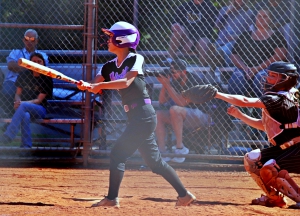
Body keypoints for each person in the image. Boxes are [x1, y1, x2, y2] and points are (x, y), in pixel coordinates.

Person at [77, 21, 196, 207]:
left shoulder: (136, 59)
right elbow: (94, 85)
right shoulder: (108, 66)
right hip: (135, 117)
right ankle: (184, 195)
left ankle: (111, 198)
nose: (108, 40)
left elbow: (125, 82)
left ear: (122, 40)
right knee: (155, 163)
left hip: (143, 115)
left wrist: (98, 86)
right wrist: (86, 85)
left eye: (111, 37)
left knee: (117, 154)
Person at [205, 61, 300, 208]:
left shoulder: (277, 99)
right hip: (288, 148)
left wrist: (217, 94)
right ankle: (274, 198)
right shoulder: (289, 95)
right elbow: (267, 126)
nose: (267, 78)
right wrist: (240, 115)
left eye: (273, 76)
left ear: (285, 79)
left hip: (296, 149)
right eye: (269, 75)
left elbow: (244, 100)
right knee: (253, 160)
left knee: (270, 167)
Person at [155, 59, 211, 163]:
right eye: (171, 72)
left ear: (183, 72)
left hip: (202, 115)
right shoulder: (175, 81)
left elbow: (181, 103)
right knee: (158, 114)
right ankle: (163, 152)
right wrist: (164, 84)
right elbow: (162, 102)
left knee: (175, 110)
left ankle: (180, 149)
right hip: (182, 116)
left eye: (174, 72)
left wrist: (168, 84)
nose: (172, 75)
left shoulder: (194, 81)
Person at [227, 9, 287, 99]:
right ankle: (233, 108)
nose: (262, 19)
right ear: (255, 19)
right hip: (245, 69)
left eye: (265, 16)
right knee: (237, 77)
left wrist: (257, 69)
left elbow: (280, 55)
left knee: (260, 77)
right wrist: (245, 69)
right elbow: (234, 55)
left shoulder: (277, 35)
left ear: (270, 19)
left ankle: (261, 109)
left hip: (266, 69)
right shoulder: (246, 35)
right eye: (259, 16)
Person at [0, 52, 53, 149]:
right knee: (25, 115)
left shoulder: (47, 78)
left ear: (43, 63)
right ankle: (26, 147)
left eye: (39, 62)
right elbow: (17, 94)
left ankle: (9, 134)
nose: (36, 63)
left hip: (40, 109)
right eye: (33, 62)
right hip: (23, 108)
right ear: (29, 63)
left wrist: (21, 103)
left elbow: (38, 100)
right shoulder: (24, 74)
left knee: (23, 108)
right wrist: (17, 101)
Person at [1, 29, 49, 117]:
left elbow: (42, 70)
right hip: (13, 81)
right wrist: (32, 67)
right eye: (27, 38)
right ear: (23, 39)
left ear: (37, 41)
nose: (29, 41)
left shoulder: (42, 55)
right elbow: (11, 66)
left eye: (32, 39)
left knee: (30, 95)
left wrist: (20, 66)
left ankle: (16, 117)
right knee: (7, 91)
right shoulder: (15, 52)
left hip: (32, 83)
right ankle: (12, 115)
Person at [167, 0, 218, 66]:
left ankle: (202, 70)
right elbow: (175, 21)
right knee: (179, 30)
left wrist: (193, 40)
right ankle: (169, 60)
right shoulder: (184, 6)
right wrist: (174, 26)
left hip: (201, 38)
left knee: (203, 42)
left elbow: (208, 28)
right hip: (185, 39)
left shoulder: (210, 7)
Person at [209, 0, 255, 67]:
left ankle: (223, 63)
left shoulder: (249, 12)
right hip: (220, 43)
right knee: (211, 47)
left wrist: (238, 36)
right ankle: (218, 59)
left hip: (236, 44)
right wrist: (227, 13)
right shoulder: (224, 9)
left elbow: (252, 33)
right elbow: (217, 26)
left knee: (230, 46)